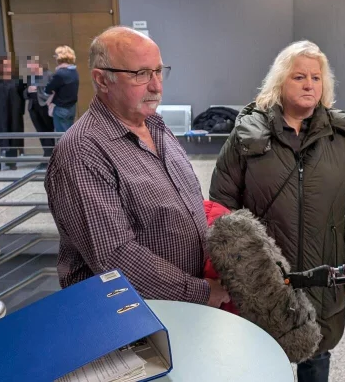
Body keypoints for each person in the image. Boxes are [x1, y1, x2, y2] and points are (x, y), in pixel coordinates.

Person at [209, 40, 345, 382]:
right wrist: (226, 268)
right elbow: (220, 206)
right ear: (280, 82)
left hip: (323, 271)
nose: (309, 84)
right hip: (262, 276)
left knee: (316, 353)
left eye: (316, 77)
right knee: (260, 359)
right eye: (299, 76)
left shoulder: (343, 138)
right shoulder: (248, 134)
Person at [44, 26, 230, 308]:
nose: (156, 85)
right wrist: (201, 292)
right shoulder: (82, 150)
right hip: (128, 318)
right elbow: (115, 258)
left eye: (158, 71)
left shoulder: (155, 126)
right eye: (140, 74)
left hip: (182, 306)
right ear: (102, 79)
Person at [0, 54, 25, 174]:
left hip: (13, 113)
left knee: (13, 136)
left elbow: (23, 98)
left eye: (9, 65)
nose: (7, 67)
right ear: (0, 67)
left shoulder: (18, 81)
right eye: (4, 65)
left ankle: (11, 162)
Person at [24, 56, 55, 161]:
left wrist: (38, 91)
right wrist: (28, 90)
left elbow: (54, 91)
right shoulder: (30, 77)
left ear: (38, 64)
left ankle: (50, 155)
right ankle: (47, 154)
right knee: (40, 131)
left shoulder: (49, 74)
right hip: (32, 107)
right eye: (29, 65)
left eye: (32, 64)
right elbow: (24, 94)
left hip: (44, 106)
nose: (30, 67)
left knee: (48, 131)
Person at [44, 45, 80, 132]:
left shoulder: (60, 74)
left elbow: (47, 90)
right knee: (69, 134)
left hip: (61, 108)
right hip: (71, 107)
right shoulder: (74, 72)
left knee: (61, 136)